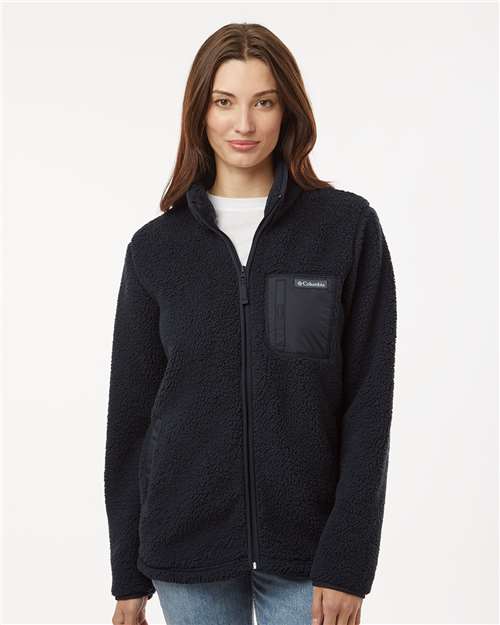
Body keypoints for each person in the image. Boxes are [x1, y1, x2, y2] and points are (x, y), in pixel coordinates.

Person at [104, 22, 397, 625]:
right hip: (185, 553)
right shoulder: (156, 250)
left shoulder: (345, 230)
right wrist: (127, 574)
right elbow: (132, 417)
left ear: (288, 110)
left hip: (310, 557)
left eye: (263, 102)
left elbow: (368, 404)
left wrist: (348, 559)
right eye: (224, 102)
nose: (243, 124)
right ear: (200, 112)